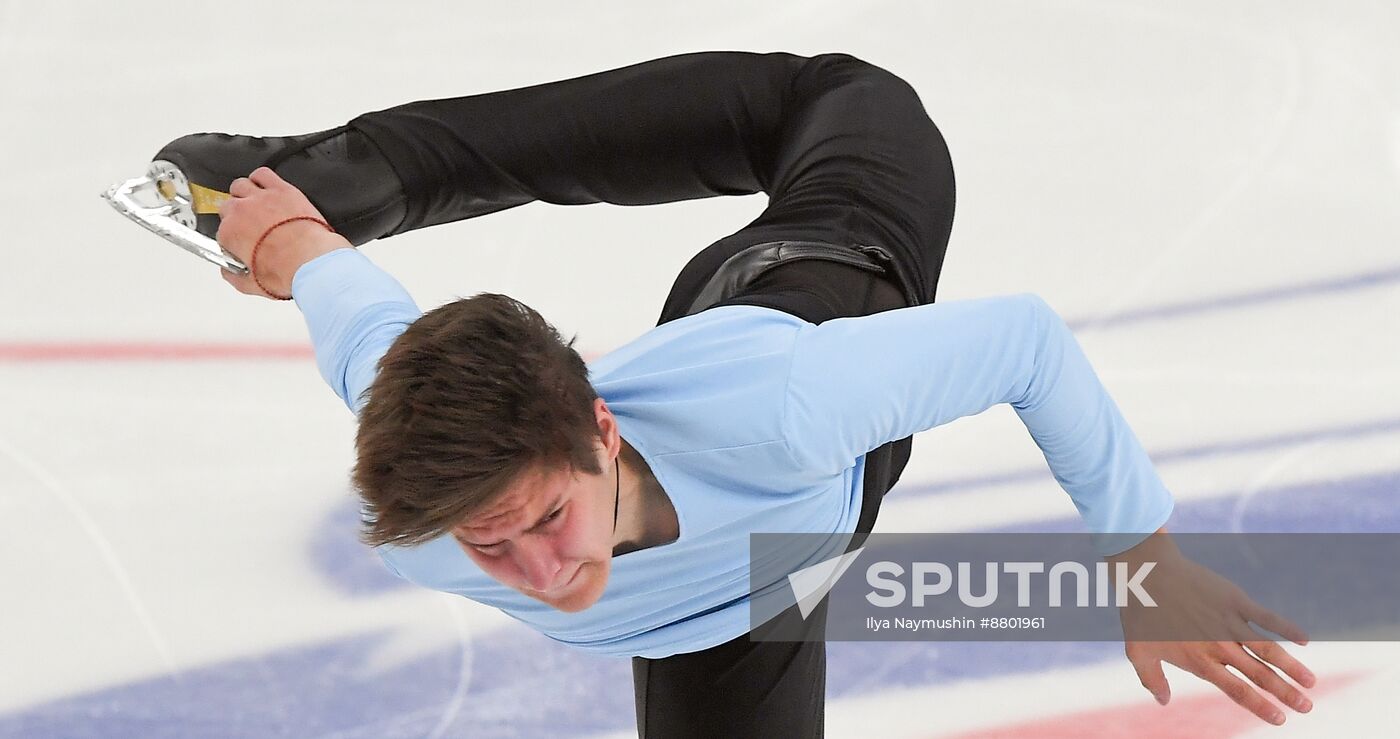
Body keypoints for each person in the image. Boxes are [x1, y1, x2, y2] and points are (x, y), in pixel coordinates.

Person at [160, 51, 1315, 736]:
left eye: (547, 519)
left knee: (848, 97)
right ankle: (322, 185)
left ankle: (355, 163)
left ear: (598, 432)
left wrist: (1143, 562)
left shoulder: (788, 405)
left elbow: (1022, 344)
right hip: (740, 605)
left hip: (828, 270)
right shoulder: (425, 516)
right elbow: (365, 332)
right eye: (490, 544)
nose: (540, 574)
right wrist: (292, 239)